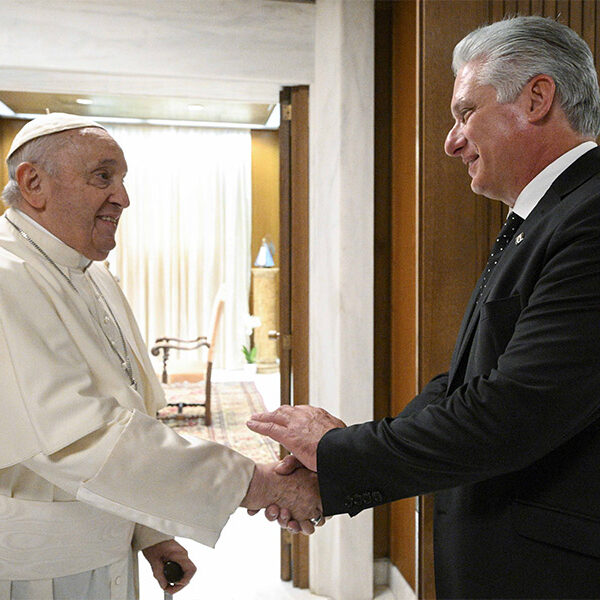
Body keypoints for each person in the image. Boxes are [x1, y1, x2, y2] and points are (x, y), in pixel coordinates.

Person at [248, 15, 600, 599]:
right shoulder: (545, 217)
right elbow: (464, 384)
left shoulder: (587, 218)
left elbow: (512, 411)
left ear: (537, 97)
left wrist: (339, 456)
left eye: (465, 112)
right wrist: (339, 462)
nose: (451, 140)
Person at [0, 112, 322, 600]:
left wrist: (148, 533)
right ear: (34, 183)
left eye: (123, 180)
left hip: (105, 553)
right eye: (103, 177)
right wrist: (260, 484)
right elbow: (78, 438)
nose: (123, 197)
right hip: (33, 573)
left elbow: (128, 412)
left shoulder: (93, 273)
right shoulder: (7, 276)